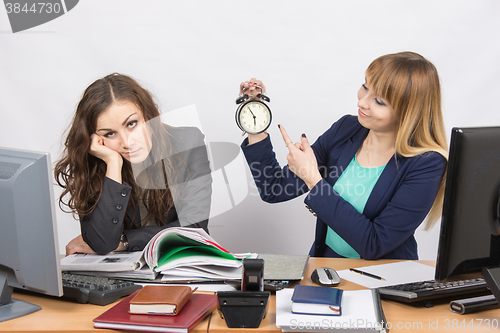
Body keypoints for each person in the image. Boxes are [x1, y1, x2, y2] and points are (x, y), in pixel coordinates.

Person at [240, 51, 447, 260]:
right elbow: (273, 188)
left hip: (385, 276)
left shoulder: (427, 163)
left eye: (379, 101)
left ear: (408, 111)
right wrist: (254, 115)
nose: (362, 103)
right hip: (329, 267)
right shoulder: (346, 129)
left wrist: (312, 178)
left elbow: (374, 244)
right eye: (365, 87)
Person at [55, 73, 212, 255]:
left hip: (182, 265)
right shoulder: (97, 161)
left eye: (132, 123)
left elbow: (195, 228)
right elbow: (102, 242)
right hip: (124, 277)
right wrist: (113, 164)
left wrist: (125, 241)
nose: (127, 142)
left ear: (147, 114)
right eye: (109, 134)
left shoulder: (188, 142)